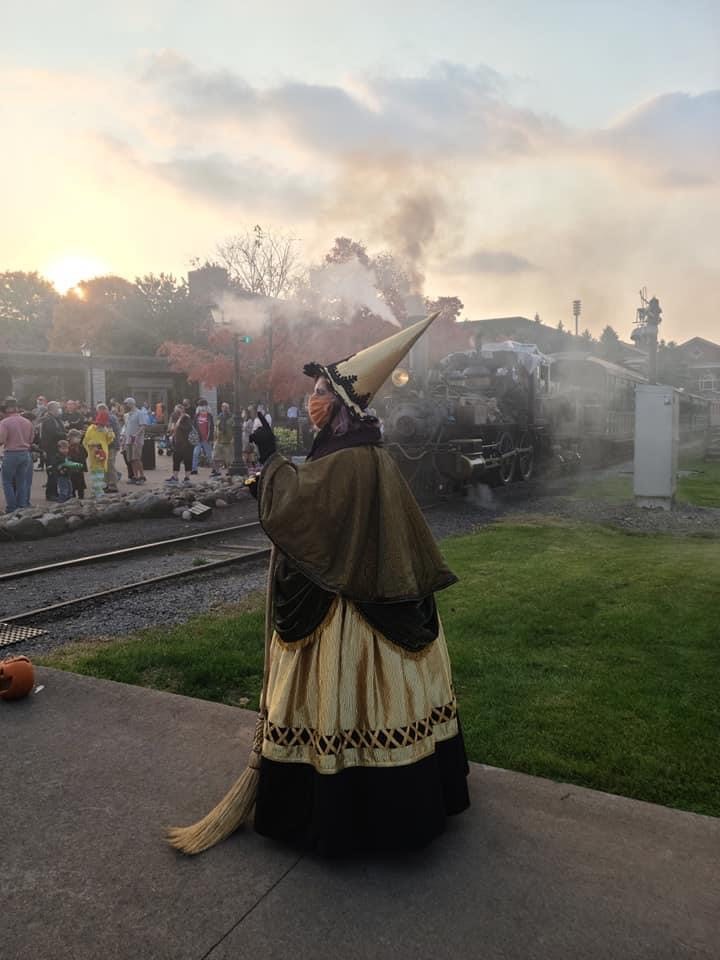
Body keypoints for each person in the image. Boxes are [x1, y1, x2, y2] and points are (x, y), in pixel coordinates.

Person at [169, 311, 469, 857]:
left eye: (319, 392)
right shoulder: (362, 452)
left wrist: (268, 459)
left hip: (346, 613)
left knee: (340, 701)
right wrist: (279, 470)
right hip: (382, 600)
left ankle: (339, 805)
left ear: (340, 405)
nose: (312, 400)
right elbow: (318, 506)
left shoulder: (351, 458)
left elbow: (305, 509)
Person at [0, 397, 34, 512]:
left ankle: (12, 507)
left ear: (7, 409)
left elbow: (2, 440)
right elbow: (31, 439)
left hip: (11, 453)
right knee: (22, 481)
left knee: (7, 481)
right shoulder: (27, 422)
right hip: (25, 453)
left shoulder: (4, 422)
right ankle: (22, 505)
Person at [83, 409, 115, 498]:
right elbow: (85, 441)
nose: (101, 425)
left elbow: (110, 440)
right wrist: (91, 445)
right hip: (93, 455)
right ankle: (97, 492)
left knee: (100, 473)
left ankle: (97, 491)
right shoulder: (91, 429)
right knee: (95, 473)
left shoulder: (106, 430)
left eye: (103, 424)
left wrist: (109, 431)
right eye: (100, 423)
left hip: (102, 455)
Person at [40, 401, 67, 501]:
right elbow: (53, 434)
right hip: (51, 450)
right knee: (52, 472)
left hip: (56, 449)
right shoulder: (48, 420)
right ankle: (51, 494)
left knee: (56, 471)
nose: (59, 410)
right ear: (52, 409)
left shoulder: (55, 419)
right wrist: (65, 434)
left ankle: (55, 492)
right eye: (57, 408)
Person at [165, 404, 193, 484]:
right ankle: (175, 477)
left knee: (187, 460)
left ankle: (187, 477)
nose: (176, 413)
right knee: (176, 460)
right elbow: (172, 429)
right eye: (175, 411)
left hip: (186, 444)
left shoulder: (186, 418)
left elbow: (188, 428)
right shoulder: (175, 418)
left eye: (177, 411)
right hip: (178, 443)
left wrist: (180, 421)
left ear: (182, 410)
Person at [122, 397, 146, 484]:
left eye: (126, 404)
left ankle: (142, 476)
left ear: (132, 404)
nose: (125, 406)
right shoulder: (127, 415)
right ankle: (135, 476)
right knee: (131, 459)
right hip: (128, 440)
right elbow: (126, 427)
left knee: (137, 458)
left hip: (137, 440)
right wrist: (124, 439)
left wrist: (136, 435)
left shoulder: (140, 413)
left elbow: (143, 426)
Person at [191, 399, 214, 474]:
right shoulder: (196, 415)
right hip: (198, 438)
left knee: (209, 454)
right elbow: (194, 426)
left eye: (203, 406)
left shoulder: (209, 416)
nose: (202, 408)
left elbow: (212, 427)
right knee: (195, 453)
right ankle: (194, 469)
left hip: (206, 439)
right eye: (200, 406)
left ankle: (214, 469)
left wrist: (210, 438)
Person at [212, 402, 234, 475]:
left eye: (226, 407)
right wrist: (214, 437)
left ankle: (229, 471)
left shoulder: (232, 418)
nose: (224, 408)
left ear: (228, 408)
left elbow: (234, 429)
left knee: (228, 459)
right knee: (215, 457)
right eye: (223, 407)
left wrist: (233, 438)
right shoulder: (219, 417)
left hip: (227, 441)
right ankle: (217, 471)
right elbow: (216, 427)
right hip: (219, 440)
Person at [66, 430, 87, 499]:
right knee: (72, 484)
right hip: (71, 469)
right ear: (70, 438)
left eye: (79, 438)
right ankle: (72, 496)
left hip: (79, 468)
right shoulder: (68, 447)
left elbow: (85, 454)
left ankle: (81, 497)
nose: (79, 439)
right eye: (77, 438)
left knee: (81, 484)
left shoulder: (81, 447)